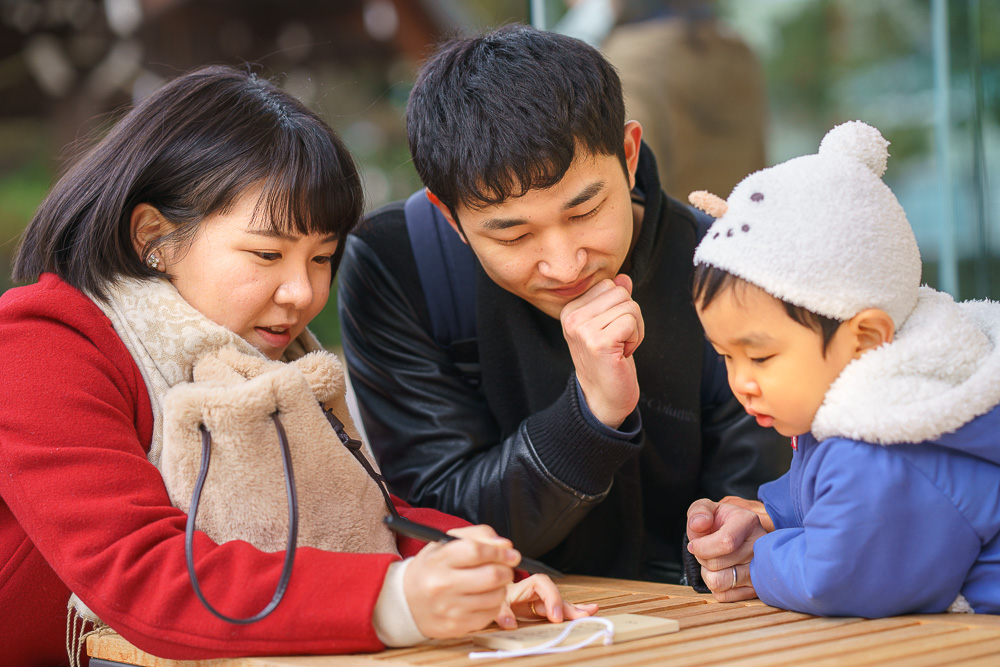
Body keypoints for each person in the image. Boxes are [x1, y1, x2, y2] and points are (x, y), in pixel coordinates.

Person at [0, 65, 593, 667]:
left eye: (322, 257)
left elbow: (358, 508)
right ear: (154, 236)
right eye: (267, 254)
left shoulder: (274, 355)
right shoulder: (43, 344)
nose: (300, 293)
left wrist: (465, 568)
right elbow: (142, 570)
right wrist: (394, 599)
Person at [337, 24, 789, 583]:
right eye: (513, 237)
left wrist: (737, 544)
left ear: (628, 154)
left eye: (584, 212)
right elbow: (437, 525)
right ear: (449, 216)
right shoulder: (399, 264)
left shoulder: (729, 266)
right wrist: (591, 415)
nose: (566, 263)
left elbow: (761, 503)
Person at [684, 120, 1000, 616]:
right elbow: (824, 489)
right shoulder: (868, 401)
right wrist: (774, 515)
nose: (740, 381)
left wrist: (759, 561)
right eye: (726, 355)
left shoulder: (883, 446)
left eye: (761, 356)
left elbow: (838, 580)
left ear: (867, 338)